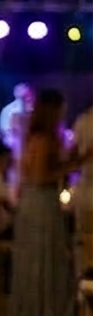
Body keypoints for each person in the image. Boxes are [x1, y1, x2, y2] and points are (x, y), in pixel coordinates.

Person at [8, 89, 74, 316]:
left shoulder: (34, 138)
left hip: (35, 202)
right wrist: (73, 165)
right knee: (44, 257)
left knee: (38, 258)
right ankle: (41, 315)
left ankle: (35, 313)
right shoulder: (43, 140)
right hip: (41, 202)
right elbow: (40, 177)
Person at [70, 102, 93, 273]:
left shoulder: (83, 121)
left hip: (85, 186)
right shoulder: (84, 121)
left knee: (85, 235)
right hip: (87, 185)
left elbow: (73, 156)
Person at [0, 83, 34, 189]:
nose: (27, 98)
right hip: (15, 150)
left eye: (28, 95)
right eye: (24, 96)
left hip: (29, 152)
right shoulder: (9, 111)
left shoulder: (33, 111)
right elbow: (6, 132)